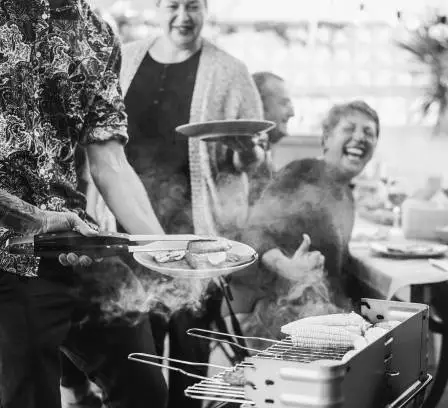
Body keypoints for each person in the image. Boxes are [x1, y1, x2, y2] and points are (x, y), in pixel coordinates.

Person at [0, 1, 168, 408]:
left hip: (72, 240)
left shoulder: (96, 32)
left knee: (145, 388)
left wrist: (166, 248)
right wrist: (33, 218)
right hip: (5, 254)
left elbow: (110, 163)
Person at [117, 0, 265, 406]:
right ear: (156, 7)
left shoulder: (230, 71)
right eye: (173, 5)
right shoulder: (124, 59)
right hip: (128, 241)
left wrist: (247, 150)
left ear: (206, 9)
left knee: (190, 370)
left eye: (193, 5)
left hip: (197, 247)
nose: (183, 15)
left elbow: (249, 161)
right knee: (134, 370)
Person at [230, 100, 380, 341]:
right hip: (277, 313)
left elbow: (339, 269)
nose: (360, 138)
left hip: (321, 311)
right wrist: (286, 266)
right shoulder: (303, 172)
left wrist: (384, 308)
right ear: (327, 138)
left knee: (395, 329)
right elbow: (254, 231)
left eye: (369, 133)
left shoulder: (346, 195)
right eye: (349, 129)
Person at [249, 71, 296, 205]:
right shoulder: (247, 159)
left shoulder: (265, 154)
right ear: (258, 106)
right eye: (284, 103)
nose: (292, 113)